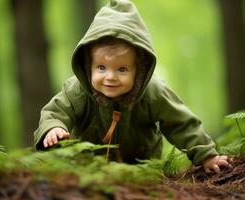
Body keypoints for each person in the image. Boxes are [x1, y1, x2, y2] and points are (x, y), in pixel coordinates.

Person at [34, 0, 232, 172]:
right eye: (101, 67)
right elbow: (55, 112)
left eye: (121, 69)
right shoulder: (77, 90)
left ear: (139, 70)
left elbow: (182, 124)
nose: (110, 77)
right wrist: (53, 128)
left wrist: (206, 155)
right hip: (86, 169)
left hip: (141, 167)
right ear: (88, 66)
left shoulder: (154, 93)